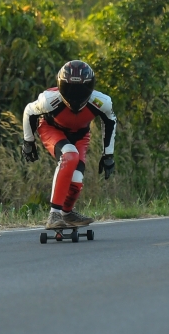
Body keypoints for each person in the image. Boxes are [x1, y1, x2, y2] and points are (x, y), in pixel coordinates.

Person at [21, 60, 116, 229]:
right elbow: (29, 111)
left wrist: (108, 154)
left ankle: (67, 212)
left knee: (77, 180)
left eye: (81, 90)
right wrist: (28, 142)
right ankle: (54, 214)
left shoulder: (101, 102)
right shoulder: (49, 100)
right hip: (52, 129)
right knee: (69, 156)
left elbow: (110, 121)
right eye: (70, 89)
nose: (75, 96)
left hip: (80, 135)